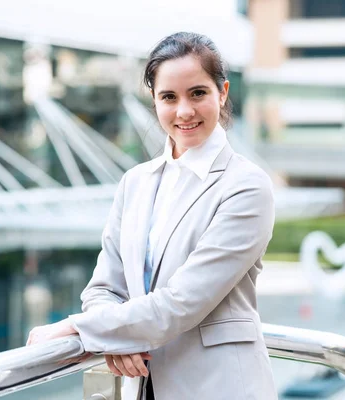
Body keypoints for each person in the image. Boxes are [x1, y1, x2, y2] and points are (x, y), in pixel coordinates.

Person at [27, 31, 277, 400]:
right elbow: (105, 288)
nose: (184, 111)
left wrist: (77, 329)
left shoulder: (247, 187)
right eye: (169, 97)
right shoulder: (135, 183)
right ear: (154, 101)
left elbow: (182, 301)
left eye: (198, 93)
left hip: (221, 388)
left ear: (222, 92)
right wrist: (117, 336)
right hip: (141, 387)